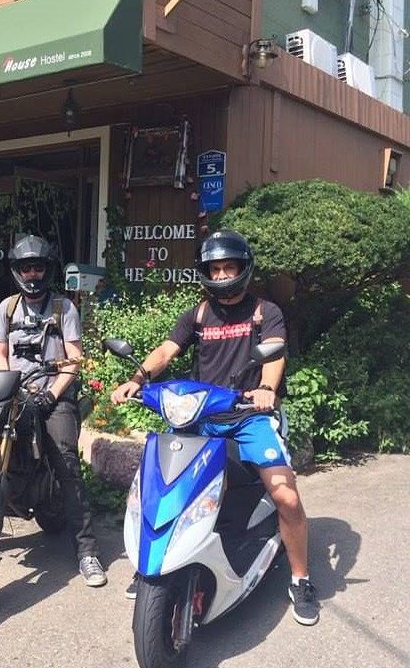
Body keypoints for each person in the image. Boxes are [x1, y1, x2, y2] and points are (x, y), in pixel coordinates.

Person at [111, 229, 319, 625]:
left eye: (229, 267)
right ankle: (154, 564)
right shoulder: (199, 314)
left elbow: (275, 354)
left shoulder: (265, 311)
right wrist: (137, 379)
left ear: (242, 269)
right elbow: (166, 350)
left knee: (286, 496)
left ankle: (300, 578)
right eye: (215, 268)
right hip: (200, 416)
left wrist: (265, 390)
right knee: (164, 488)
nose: (222, 275)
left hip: (248, 416)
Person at [0, 235, 107, 588]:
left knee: (66, 463)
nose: (32, 274)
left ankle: (87, 551)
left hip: (54, 394)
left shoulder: (64, 308)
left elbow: (73, 359)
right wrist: (5, 385)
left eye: (38, 267)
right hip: (15, 393)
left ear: (48, 269)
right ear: (16, 271)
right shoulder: (7, 307)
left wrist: (52, 393)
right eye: (26, 267)